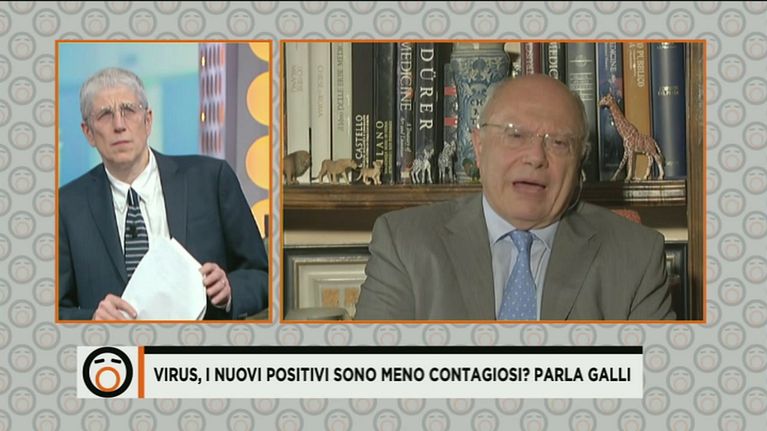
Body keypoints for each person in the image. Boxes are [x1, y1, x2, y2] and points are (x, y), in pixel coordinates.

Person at [355, 74, 675, 321]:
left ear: (580, 160)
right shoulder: (405, 243)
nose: (535, 157)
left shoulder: (637, 256)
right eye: (516, 135)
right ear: (479, 146)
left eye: (559, 143)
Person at [59, 68, 268, 320]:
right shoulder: (66, 207)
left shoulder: (211, 179)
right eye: (105, 115)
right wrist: (91, 320)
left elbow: (262, 275)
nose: (119, 125)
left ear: (147, 120)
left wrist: (230, 290)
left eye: (128, 110)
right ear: (88, 132)